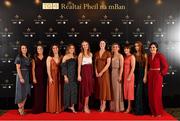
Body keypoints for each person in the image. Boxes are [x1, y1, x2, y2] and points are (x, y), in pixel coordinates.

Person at [147, 42, 169, 117]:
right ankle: (153, 112)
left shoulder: (160, 55)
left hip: (157, 76)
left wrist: (161, 73)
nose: (152, 49)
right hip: (151, 75)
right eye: (151, 47)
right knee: (151, 94)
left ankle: (158, 112)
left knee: (156, 94)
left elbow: (166, 66)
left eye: (153, 47)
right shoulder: (149, 56)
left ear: (156, 48)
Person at [94, 39, 112, 112]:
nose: (102, 44)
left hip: (104, 73)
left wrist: (101, 72)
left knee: (104, 88)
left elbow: (108, 64)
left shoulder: (108, 53)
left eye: (103, 43)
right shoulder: (96, 53)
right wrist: (96, 71)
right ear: (99, 45)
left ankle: (103, 105)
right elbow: (94, 64)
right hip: (97, 73)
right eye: (101, 43)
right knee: (99, 88)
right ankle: (100, 104)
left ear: (105, 45)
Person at [77, 41, 94, 113]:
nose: (85, 46)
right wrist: (78, 75)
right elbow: (79, 66)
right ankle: (84, 106)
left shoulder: (91, 54)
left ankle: (86, 105)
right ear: (82, 46)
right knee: (85, 90)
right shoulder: (81, 54)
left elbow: (91, 65)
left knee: (89, 89)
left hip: (90, 73)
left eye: (86, 45)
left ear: (88, 45)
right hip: (84, 74)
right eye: (83, 45)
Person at [14, 44, 31, 115]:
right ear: (21, 49)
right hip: (21, 75)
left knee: (26, 91)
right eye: (23, 48)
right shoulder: (18, 57)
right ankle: (20, 108)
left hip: (27, 75)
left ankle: (22, 107)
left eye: (25, 48)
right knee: (20, 92)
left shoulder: (28, 57)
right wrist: (21, 77)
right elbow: (17, 68)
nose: (24, 49)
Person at [61, 44, 78, 113]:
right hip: (68, 76)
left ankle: (72, 107)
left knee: (74, 91)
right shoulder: (65, 56)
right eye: (70, 48)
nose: (72, 49)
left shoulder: (75, 57)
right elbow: (63, 67)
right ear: (68, 49)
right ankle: (66, 106)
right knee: (67, 91)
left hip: (74, 76)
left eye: (73, 48)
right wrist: (65, 76)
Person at [46, 43, 63, 113]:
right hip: (52, 76)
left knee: (59, 92)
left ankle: (58, 108)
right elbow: (48, 69)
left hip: (59, 77)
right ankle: (52, 109)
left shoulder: (61, 57)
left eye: (56, 48)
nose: (55, 49)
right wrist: (50, 77)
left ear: (58, 49)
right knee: (52, 92)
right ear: (52, 49)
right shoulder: (49, 58)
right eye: (53, 48)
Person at [134, 41, 149, 115]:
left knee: (139, 93)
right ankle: (138, 109)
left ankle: (140, 111)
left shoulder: (145, 55)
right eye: (135, 46)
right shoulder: (134, 55)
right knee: (137, 92)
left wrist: (145, 76)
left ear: (141, 46)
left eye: (138, 46)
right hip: (135, 75)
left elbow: (146, 67)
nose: (136, 47)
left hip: (142, 74)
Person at [32, 44, 47, 114]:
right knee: (37, 93)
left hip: (44, 77)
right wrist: (34, 78)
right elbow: (33, 69)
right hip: (37, 77)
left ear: (43, 49)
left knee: (43, 93)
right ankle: (37, 109)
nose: (39, 50)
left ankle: (43, 108)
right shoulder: (34, 58)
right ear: (37, 50)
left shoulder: (46, 57)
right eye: (38, 49)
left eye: (40, 48)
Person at [110, 43, 124, 112]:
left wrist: (120, 75)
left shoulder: (120, 56)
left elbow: (121, 67)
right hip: (112, 72)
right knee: (113, 89)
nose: (115, 48)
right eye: (113, 47)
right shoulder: (111, 56)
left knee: (117, 90)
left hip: (118, 73)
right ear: (112, 48)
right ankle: (113, 107)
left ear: (118, 48)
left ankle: (118, 108)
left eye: (116, 47)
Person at [123, 44, 135, 113]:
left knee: (130, 92)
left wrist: (129, 76)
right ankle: (128, 107)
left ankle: (129, 108)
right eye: (125, 48)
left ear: (129, 49)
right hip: (125, 75)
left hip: (129, 76)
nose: (125, 50)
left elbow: (133, 67)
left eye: (127, 48)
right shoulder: (125, 56)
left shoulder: (132, 56)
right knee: (126, 91)